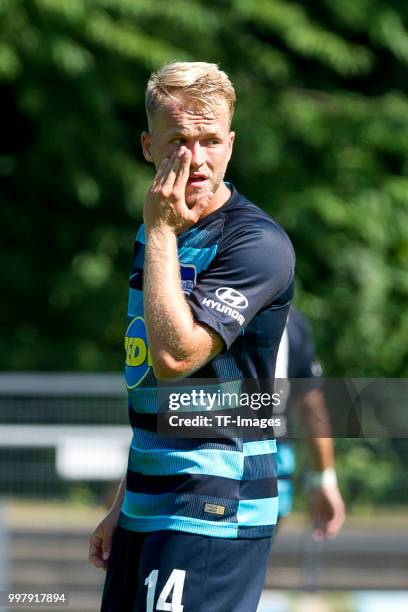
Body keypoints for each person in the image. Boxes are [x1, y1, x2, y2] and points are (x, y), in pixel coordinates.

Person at [89, 61, 295, 612]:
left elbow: (176, 357)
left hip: (214, 505)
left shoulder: (256, 243)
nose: (196, 158)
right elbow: (157, 395)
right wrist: (122, 500)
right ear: (147, 146)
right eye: (179, 139)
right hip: (147, 503)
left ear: (231, 143)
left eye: (210, 140)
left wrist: (159, 231)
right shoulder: (158, 227)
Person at [275, 308, 345, 538]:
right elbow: (312, 409)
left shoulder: (195, 303)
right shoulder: (290, 321)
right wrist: (323, 480)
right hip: (272, 463)